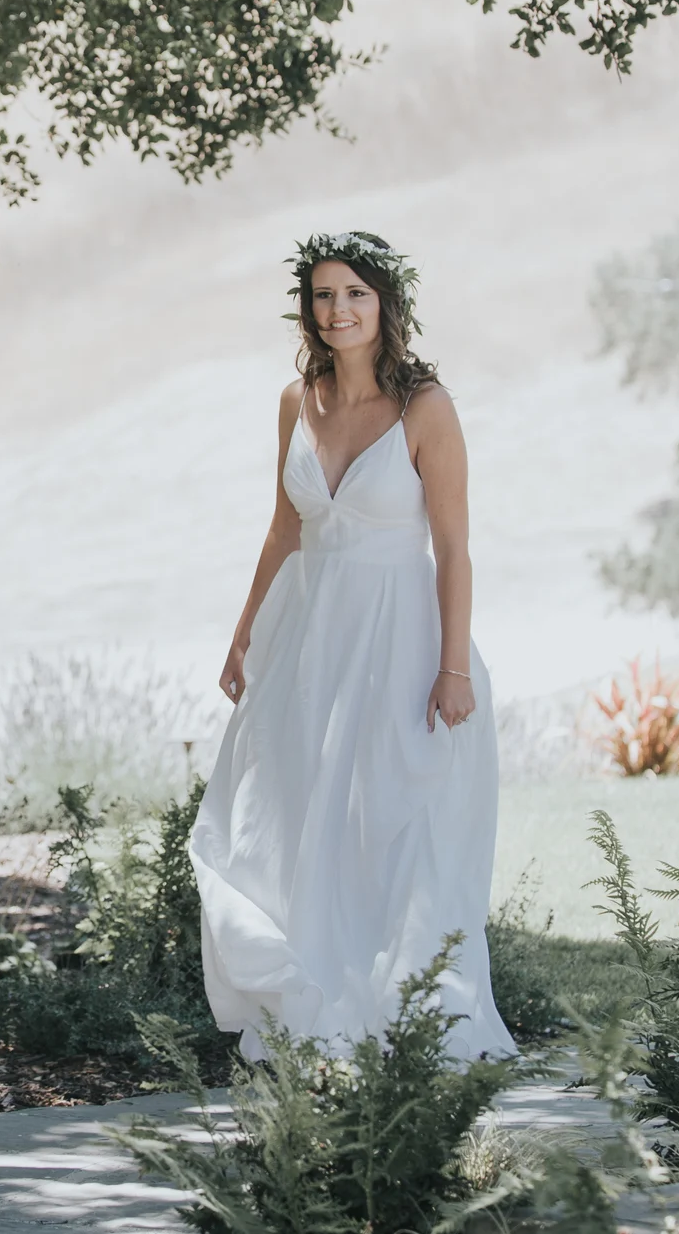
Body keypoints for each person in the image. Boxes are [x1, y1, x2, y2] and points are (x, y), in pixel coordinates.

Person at [191, 230, 516, 1063]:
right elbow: (284, 527)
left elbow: (454, 547)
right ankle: (317, 1003)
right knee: (298, 819)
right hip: (309, 644)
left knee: (400, 826)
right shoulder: (296, 401)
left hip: (403, 641)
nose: (338, 310)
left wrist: (452, 668)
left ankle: (410, 1013)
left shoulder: (425, 408)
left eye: (355, 294)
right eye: (324, 295)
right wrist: (242, 633)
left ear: (386, 304)